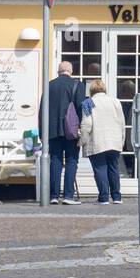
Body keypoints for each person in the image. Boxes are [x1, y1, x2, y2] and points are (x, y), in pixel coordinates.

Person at [79, 79, 126, 205]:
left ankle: (104, 197)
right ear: (104, 89)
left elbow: (87, 124)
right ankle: (117, 197)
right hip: (114, 141)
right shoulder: (115, 101)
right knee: (113, 168)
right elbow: (122, 123)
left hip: (97, 140)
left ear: (91, 90)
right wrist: (122, 139)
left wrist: (82, 141)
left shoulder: (88, 102)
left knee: (100, 169)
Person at [47, 61, 86, 204]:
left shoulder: (49, 85)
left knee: (55, 161)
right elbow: (83, 107)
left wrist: (42, 132)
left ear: (59, 71)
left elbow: (41, 110)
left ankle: (53, 196)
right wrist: (85, 127)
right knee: (71, 160)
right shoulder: (78, 85)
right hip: (71, 130)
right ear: (71, 71)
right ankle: (69, 195)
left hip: (52, 130)